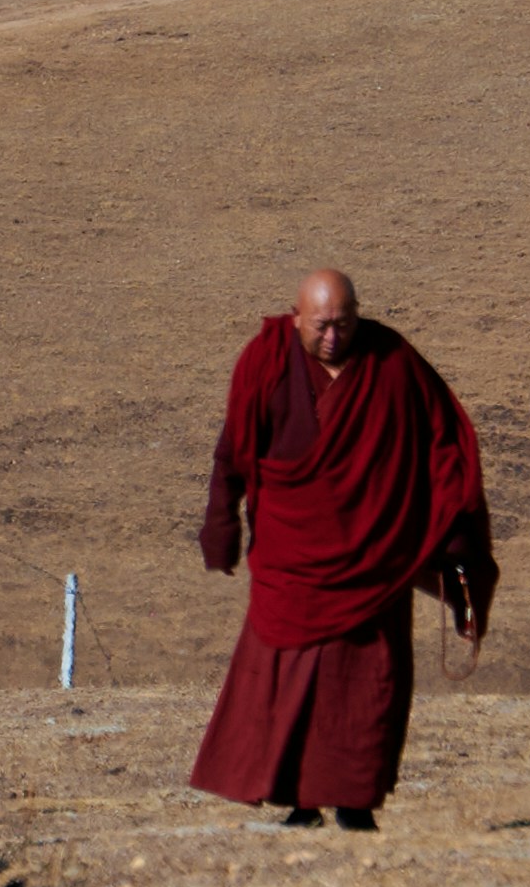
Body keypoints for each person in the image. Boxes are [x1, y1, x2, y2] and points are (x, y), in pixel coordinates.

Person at [190, 267, 496, 833]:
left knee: (366, 687)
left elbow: (445, 441)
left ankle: (355, 802)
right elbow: (232, 452)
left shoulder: (393, 361)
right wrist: (220, 530)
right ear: (296, 317)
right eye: (322, 326)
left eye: (346, 323)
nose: (334, 338)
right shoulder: (263, 363)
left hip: (373, 556)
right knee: (287, 685)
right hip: (291, 556)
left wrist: (454, 535)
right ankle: (299, 800)